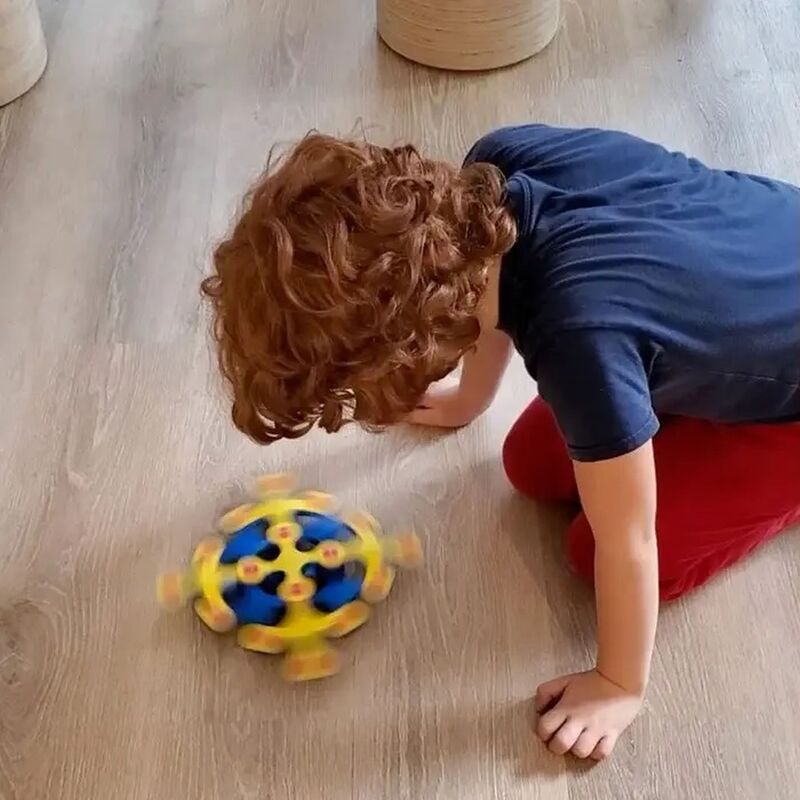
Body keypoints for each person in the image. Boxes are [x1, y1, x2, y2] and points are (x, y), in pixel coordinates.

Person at [201, 124, 800, 760]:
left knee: (594, 548)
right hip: (751, 271)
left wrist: (618, 684)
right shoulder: (495, 169)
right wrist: (469, 400)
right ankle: (691, 389)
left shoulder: (579, 335)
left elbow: (631, 540)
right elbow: (485, 300)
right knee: (529, 463)